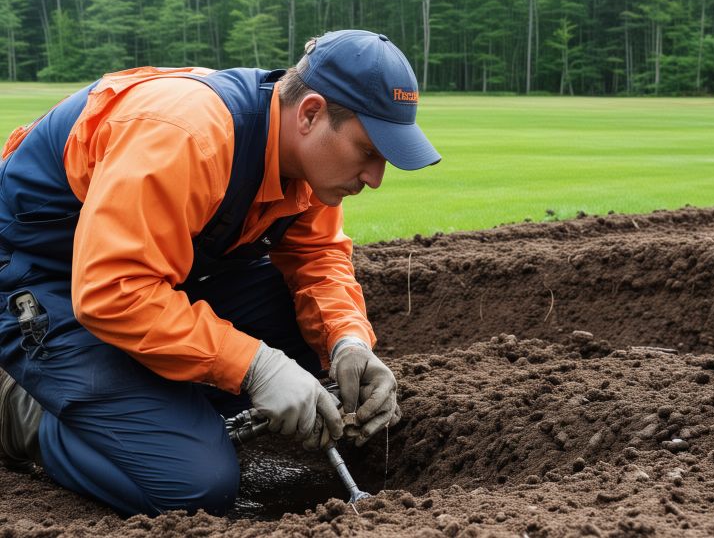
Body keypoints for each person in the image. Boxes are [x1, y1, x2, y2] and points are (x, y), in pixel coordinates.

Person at [0, 29, 440, 516]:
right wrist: (256, 366)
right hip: (43, 281)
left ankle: (147, 407)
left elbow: (318, 259)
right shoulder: (187, 136)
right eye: (368, 150)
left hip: (155, 277)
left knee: (318, 352)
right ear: (311, 113)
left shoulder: (308, 165)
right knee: (194, 487)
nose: (375, 178)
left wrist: (348, 342)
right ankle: (29, 410)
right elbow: (112, 291)